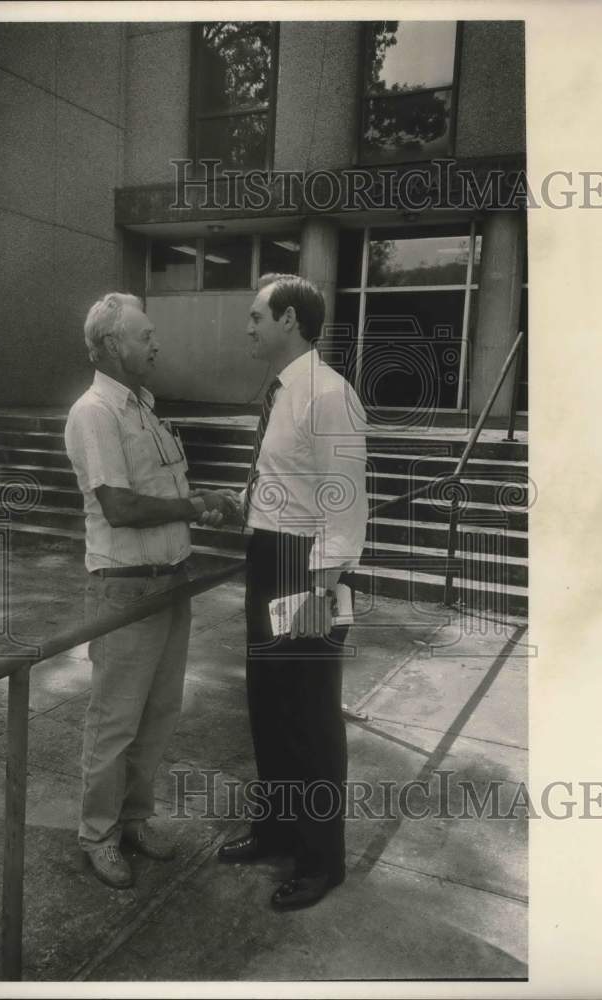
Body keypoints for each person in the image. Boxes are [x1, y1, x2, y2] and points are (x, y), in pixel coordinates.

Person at [65, 292, 233, 889]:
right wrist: (192, 505)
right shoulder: (96, 412)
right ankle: (98, 836)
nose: (154, 343)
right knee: (114, 722)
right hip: (125, 593)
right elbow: (119, 505)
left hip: (170, 585)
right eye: (145, 335)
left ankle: (134, 820)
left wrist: (204, 501)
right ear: (113, 345)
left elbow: (157, 491)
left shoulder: (143, 407)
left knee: (157, 715)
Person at [216, 274, 369, 910]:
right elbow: (284, 476)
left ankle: (320, 858)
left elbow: (345, 497)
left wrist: (322, 585)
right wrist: (243, 507)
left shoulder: (330, 394)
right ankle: (276, 828)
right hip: (270, 555)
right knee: (270, 707)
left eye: (256, 316)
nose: (248, 326)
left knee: (309, 720)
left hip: (308, 567)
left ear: (289, 320)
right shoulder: (281, 392)